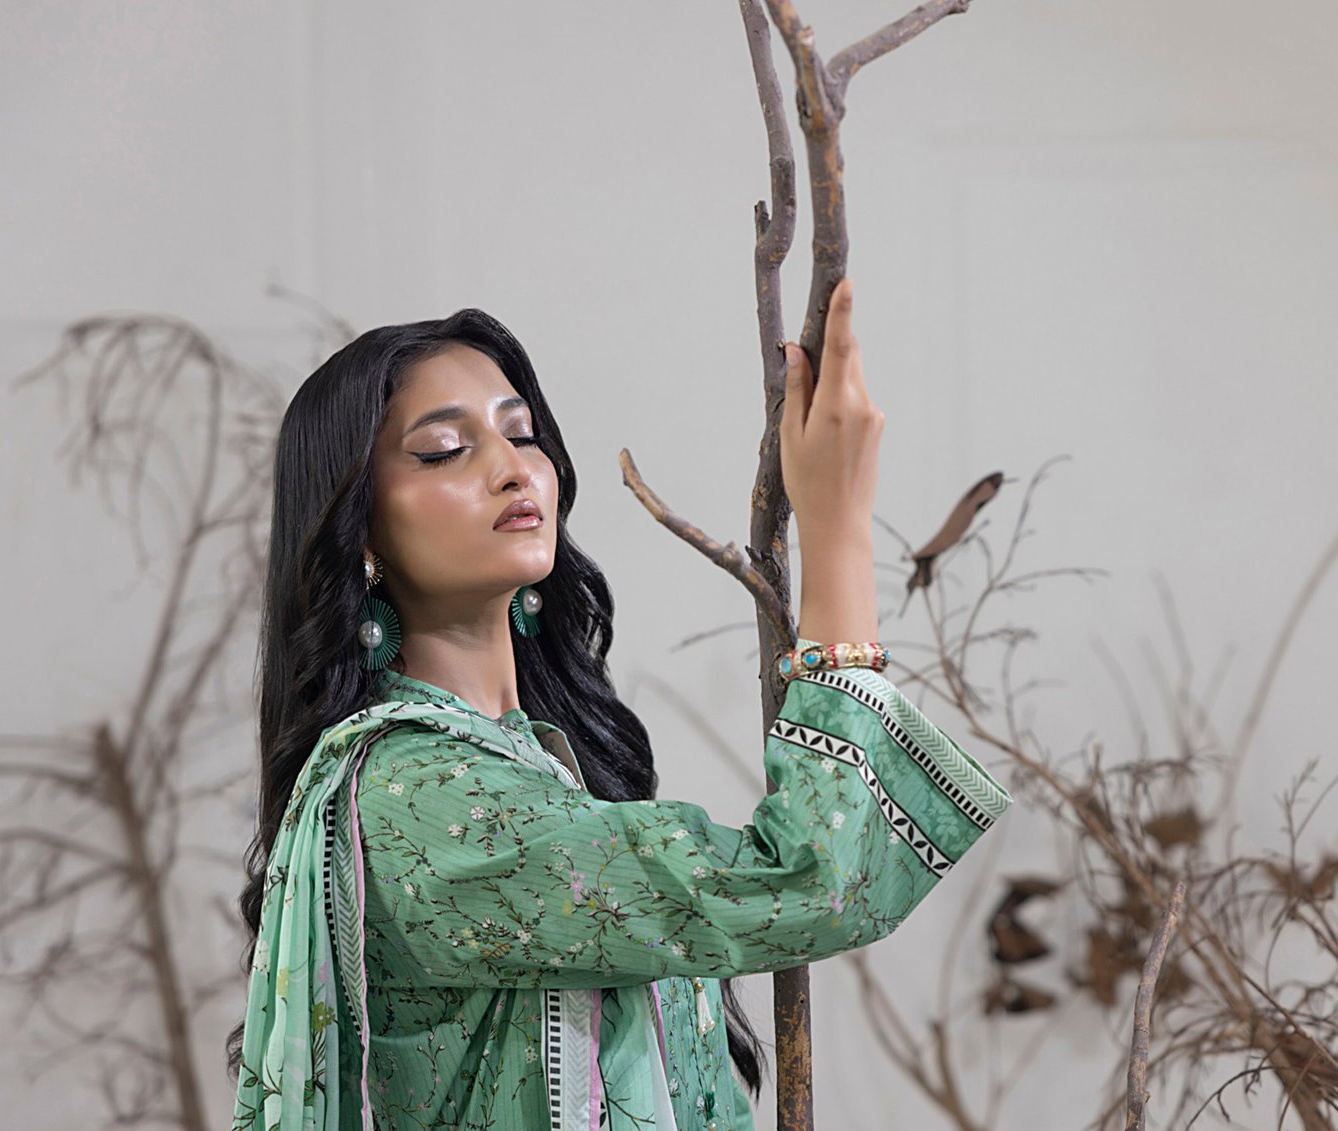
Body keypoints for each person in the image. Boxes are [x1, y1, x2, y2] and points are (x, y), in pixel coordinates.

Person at [227, 277, 1012, 1131]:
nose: (512, 467)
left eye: (522, 433)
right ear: (362, 531)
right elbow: (815, 879)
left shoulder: (535, 768)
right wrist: (838, 529)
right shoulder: (413, 799)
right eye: (445, 450)